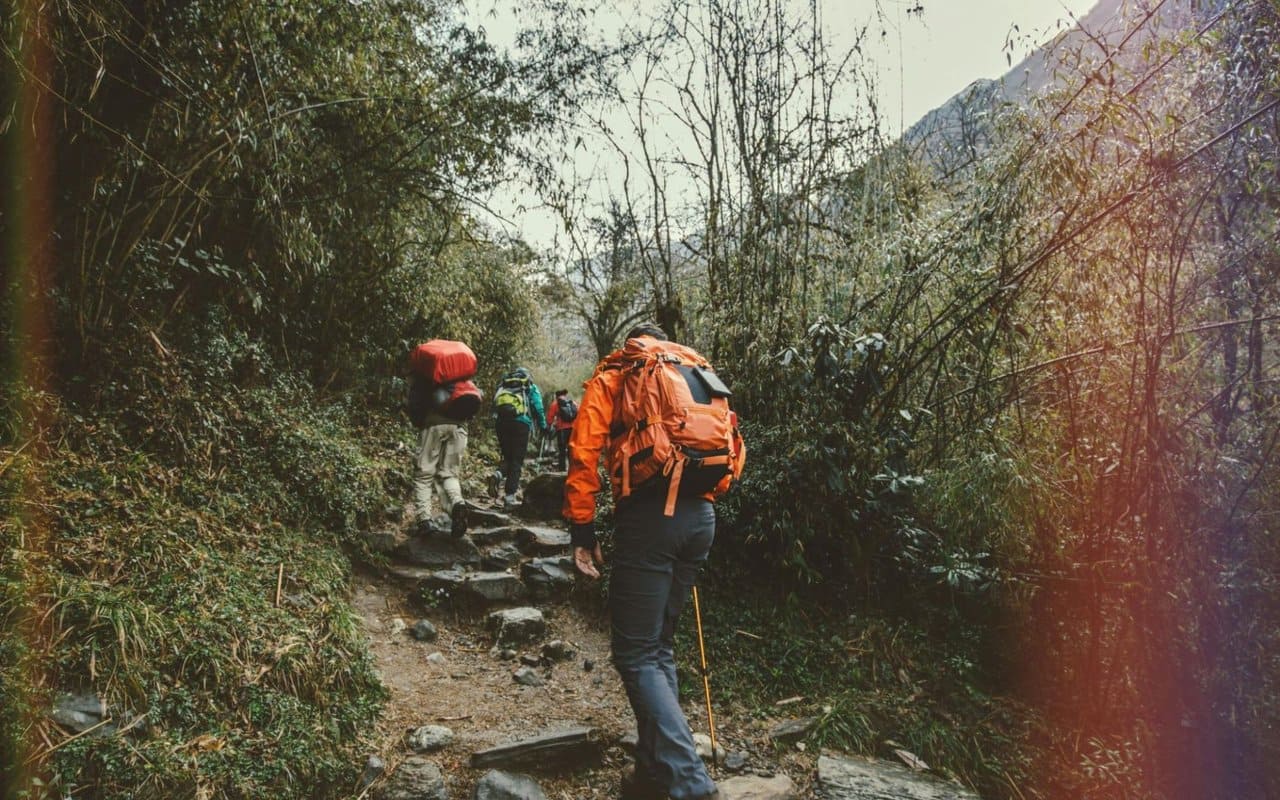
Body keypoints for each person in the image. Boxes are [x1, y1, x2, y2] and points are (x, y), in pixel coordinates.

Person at [563, 323, 744, 800]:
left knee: (635, 653)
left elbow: (584, 449)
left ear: (631, 343)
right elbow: (730, 444)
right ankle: (652, 773)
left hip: (650, 518)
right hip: (701, 515)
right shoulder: (696, 370)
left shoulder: (620, 371)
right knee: (657, 647)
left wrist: (583, 530)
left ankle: (690, 783)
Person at [408, 366, 474, 538]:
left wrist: (419, 422)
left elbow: (415, 405)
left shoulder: (426, 376)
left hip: (434, 426)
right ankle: (457, 505)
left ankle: (424, 521)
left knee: (424, 474)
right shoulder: (461, 376)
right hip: (459, 428)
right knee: (449, 474)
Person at [492, 366, 548, 508]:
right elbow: (537, 406)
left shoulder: (504, 384)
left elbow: (494, 404)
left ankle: (498, 474)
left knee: (508, 457)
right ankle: (510, 496)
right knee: (516, 460)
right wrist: (543, 426)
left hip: (501, 423)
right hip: (520, 424)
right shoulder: (529, 385)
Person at [545, 388, 577, 471]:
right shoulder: (572, 402)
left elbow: (550, 417)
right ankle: (572, 469)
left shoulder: (555, 403)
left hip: (562, 429)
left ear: (557, 395)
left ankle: (562, 469)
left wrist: (548, 426)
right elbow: (578, 413)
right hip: (573, 429)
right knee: (572, 449)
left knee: (562, 450)